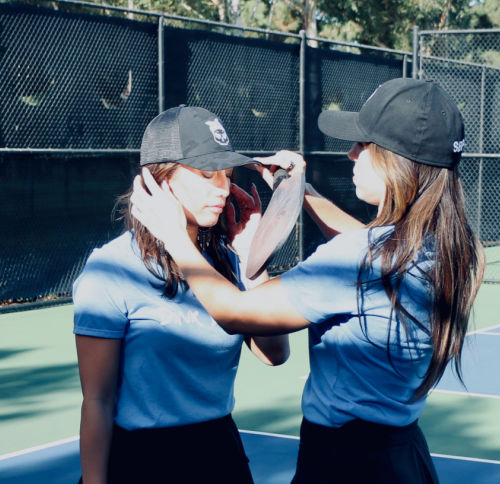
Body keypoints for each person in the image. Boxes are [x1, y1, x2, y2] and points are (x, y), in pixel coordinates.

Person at [130, 78, 486, 484]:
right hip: (405, 458)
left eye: (362, 145)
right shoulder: (449, 248)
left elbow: (236, 312)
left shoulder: (359, 258)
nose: (351, 154)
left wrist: (175, 236)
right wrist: (297, 188)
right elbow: (368, 252)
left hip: (346, 465)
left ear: (394, 159)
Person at [72, 105, 290, 484]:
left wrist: (253, 259)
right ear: (158, 180)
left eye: (226, 175)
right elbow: (97, 401)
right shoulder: (111, 269)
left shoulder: (228, 258)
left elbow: (275, 354)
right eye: (207, 174)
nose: (222, 189)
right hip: (142, 461)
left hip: (220, 453)